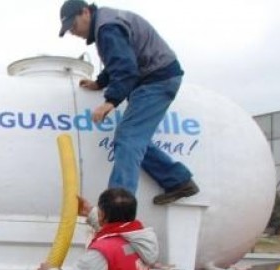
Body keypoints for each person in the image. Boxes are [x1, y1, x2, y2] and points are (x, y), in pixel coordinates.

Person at [58, 0, 199, 205]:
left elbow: (125, 67)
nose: (73, 31)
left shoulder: (107, 28)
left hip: (157, 80)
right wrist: (100, 82)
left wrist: (110, 101)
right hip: (153, 79)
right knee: (135, 139)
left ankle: (118, 205)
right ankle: (178, 181)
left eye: (73, 25)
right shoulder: (106, 24)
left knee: (127, 137)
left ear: (85, 12)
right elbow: (118, 60)